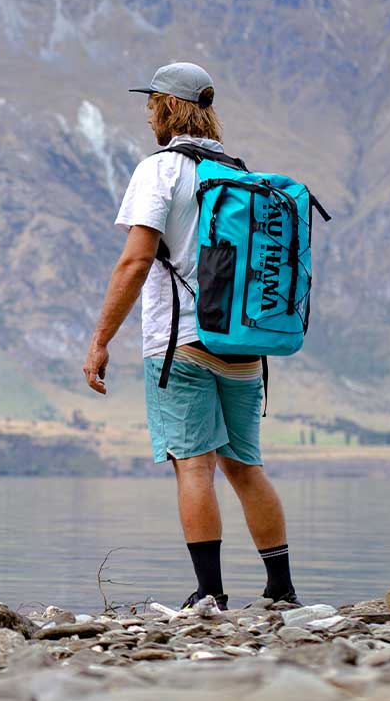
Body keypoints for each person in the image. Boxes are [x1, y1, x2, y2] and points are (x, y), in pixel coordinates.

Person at [83, 62, 301, 610]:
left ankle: (210, 593)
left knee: (194, 464)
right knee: (246, 468)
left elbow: (135, 261)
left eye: (152, 103)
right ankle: (282, 589)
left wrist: (100, 340)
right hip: (244, 342)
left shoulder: (161, 171)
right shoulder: (239, 173)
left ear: (170, 108)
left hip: (181, 344)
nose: (147, 112)